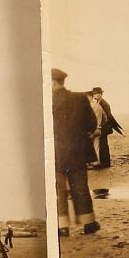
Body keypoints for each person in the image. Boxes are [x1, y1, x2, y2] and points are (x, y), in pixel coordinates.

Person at [51, 68, 100, 236]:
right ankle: (89, 223)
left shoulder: (46, 102)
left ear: (53, 83)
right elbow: (92, 124)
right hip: (77, 152)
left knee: (58, 190)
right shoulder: (80, 98)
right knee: (80, 186)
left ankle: (62, 226)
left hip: (56, 153)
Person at [88, 87, 122, 169]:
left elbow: (108, 117)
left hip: (104, 128)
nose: (95, 95)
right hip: (102, 127)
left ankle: (106, 163)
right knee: (102, 145)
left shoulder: (104, 104)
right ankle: (103, 162)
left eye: (97, 93)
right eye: (94, 94)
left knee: (104, 145)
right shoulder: (99, 102)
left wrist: (100, 125)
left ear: (101, 94)